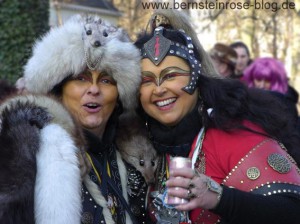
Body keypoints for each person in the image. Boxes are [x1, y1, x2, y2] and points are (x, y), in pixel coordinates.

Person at [135, 9, 300, 224]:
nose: (158, 89)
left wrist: (220, 199)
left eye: (171, 76)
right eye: (147, 80)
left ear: (196, 78)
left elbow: (293, 210)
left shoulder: (234, 133)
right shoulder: (143, 147)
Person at [1, 15, 148, 224]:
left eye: (106, 80)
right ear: (59, 90)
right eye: (81, 78)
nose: (94, 89)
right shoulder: (27, 149)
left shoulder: (136, 158)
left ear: (118, 97)